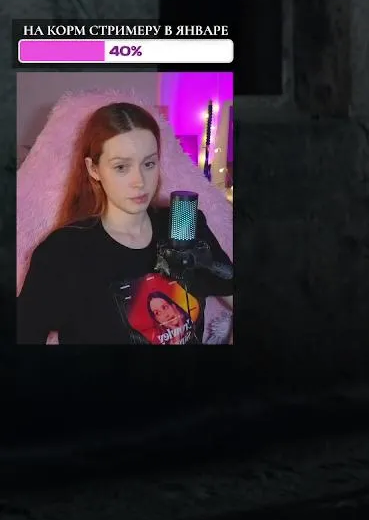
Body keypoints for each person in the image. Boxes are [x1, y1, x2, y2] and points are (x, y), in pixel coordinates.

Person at [17, 102, 233, 346]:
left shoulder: (184, 223)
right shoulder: (63, 251)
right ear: (94, 169)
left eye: (148, 164)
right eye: (121, 167)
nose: (139, 181)